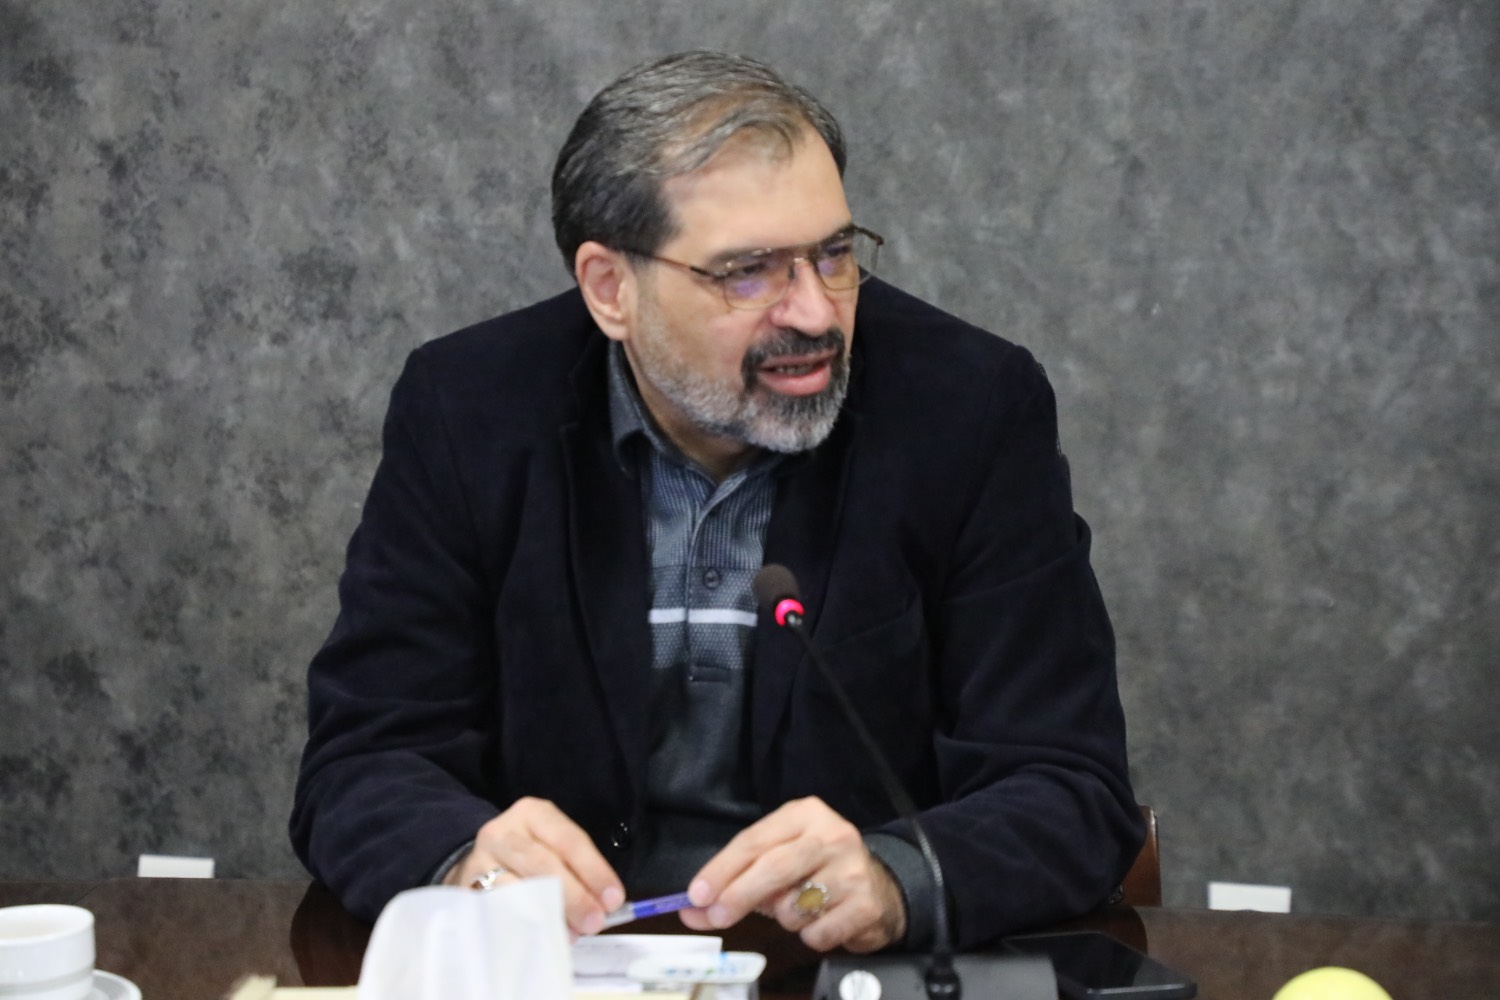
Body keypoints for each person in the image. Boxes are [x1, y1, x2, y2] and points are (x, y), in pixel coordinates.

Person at [290, 50, 1143, 954]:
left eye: (834, 255)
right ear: (611, 289)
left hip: (836, 970)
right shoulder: (471, 410)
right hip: (566, 963)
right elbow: (364, 763)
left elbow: (1070, 785)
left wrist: (899, 875)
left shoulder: (967, 408)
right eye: (749, 272)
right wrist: (469, 861)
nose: (816, 313)